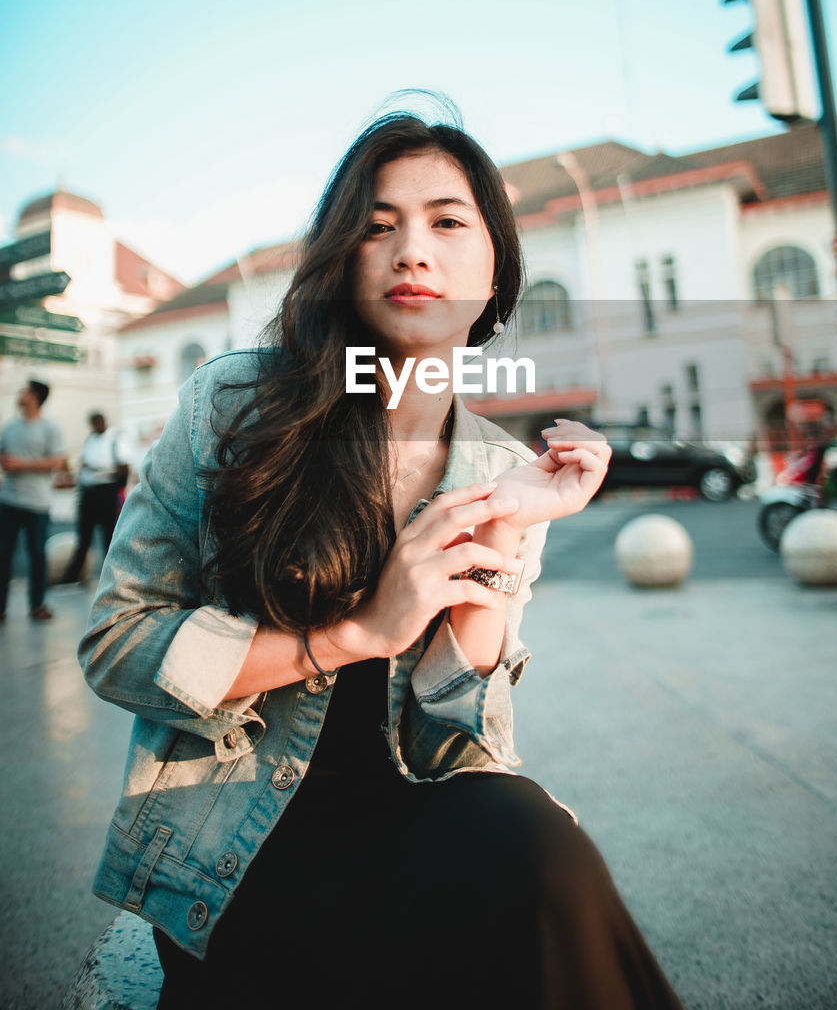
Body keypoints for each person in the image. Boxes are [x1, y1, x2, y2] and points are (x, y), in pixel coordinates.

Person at [79, 112, 684, 1009]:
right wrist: (355, 632)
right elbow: (117, 643)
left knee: (535, 843)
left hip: (409, 822)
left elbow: (458, 741)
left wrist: (504, 539)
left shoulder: (502, 471)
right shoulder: (234, 405)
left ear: (494, 271)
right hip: (235, 858)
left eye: (447, 222)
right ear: (342, 260)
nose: (411, 251)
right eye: (376, 225)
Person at [0, 379, 66, 621]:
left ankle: (38, 605)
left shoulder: (50, 428)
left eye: (24, 391)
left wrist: (21, 463)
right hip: (8, 500)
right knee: (3, 554)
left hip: (37, 503)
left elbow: (58, 461)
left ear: (35, 396)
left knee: (37, 554)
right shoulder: (10, 427)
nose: (20, 394)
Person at [60, 411, 130, 585]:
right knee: (84, 535)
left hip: (106, 491)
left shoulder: (114, 439)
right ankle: (73, 575)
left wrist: (103, 475)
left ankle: (113, 575)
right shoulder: (90, 440)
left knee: (109, 534)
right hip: (89, 492)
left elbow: (122, 467)